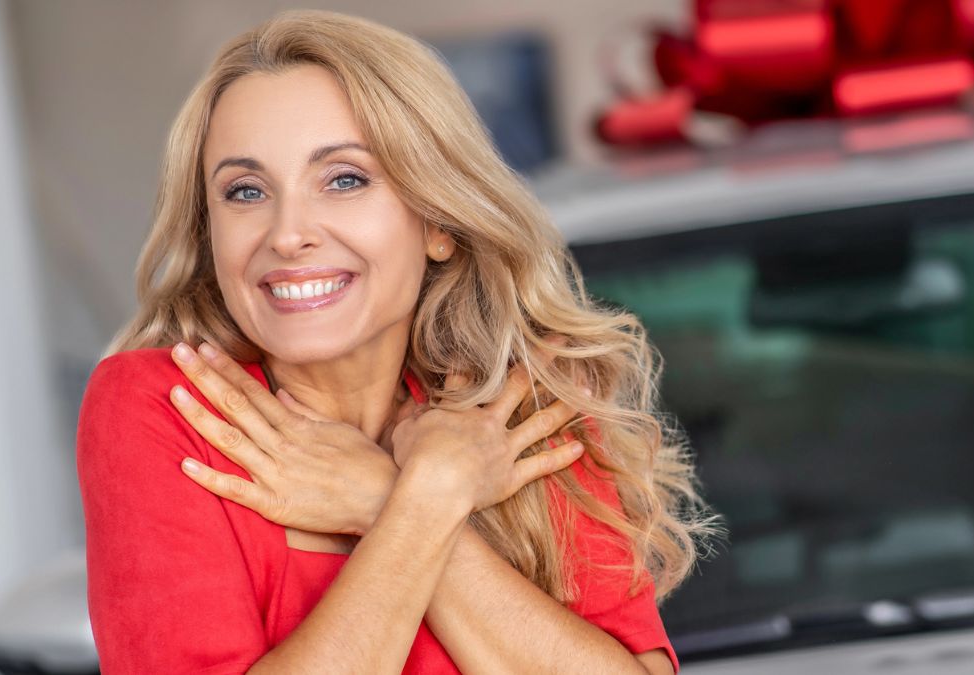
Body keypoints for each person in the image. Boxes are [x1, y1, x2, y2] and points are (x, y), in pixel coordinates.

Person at [76, 9, 714, 674]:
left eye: (344, 179)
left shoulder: (520, 403)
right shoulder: (168, 408)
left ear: (437, 221)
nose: (288, 233)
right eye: (245, 191)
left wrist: (381, 495)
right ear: (210, 234)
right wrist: (423, 498)